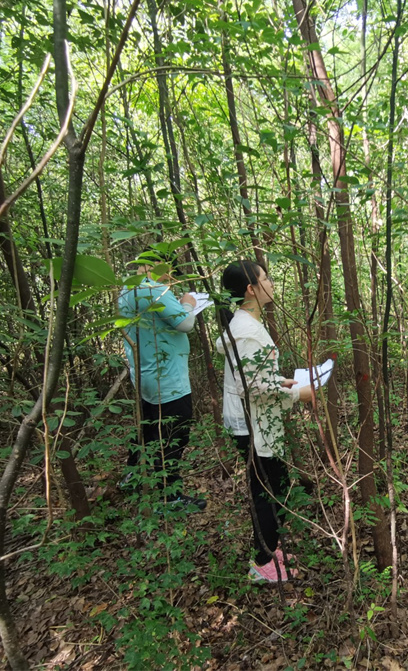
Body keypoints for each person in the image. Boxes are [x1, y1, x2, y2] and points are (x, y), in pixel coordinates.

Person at [216, 260, 312, 583]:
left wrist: (283, 381)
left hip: (255, 420)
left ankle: (272, 548)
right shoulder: (245, 332)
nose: (271, 283)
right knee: (267, 489)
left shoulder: (247, 323)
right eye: (265, 278)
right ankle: (262, 563)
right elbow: (251, 388)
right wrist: (299, 394)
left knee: (276, 483)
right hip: (250, 422)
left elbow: (257, 376)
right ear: (250, 289)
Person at [118, 249, 206, 511]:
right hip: (168, 379)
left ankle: (131, 475)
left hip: (145, 375)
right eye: (169, 270)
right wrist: (188, 302)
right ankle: (171, 496)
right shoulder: (151, 289)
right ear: (157, 266)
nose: (171, 276)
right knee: (174, 435)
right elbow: (185, 323)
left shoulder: (127, 289)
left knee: (148, 428)